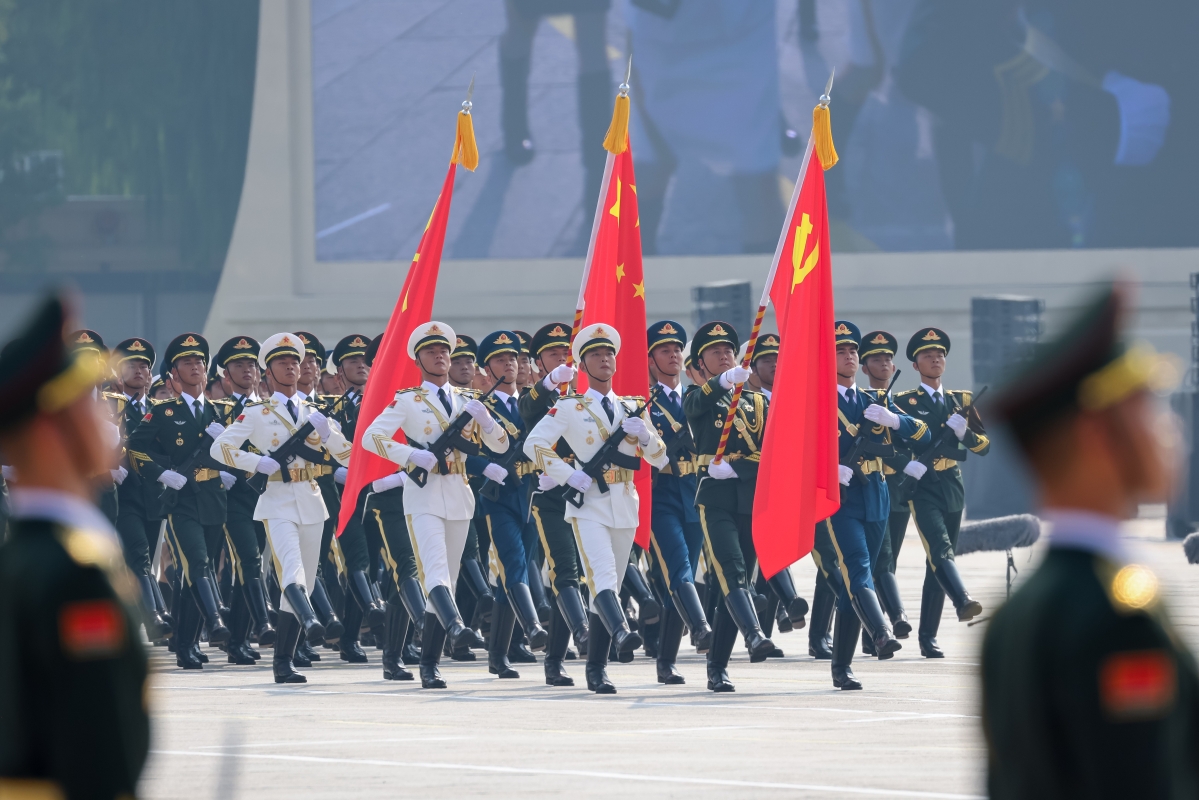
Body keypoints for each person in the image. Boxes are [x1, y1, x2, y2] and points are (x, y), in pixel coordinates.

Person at [983, 281, 1199, 797]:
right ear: (1098, 435)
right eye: (1147, 408)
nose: (1170, 430)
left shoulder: (1017, 611)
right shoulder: (1117, 616)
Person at [0, 293, 149, 799]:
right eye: (88, 401)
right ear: (50, 428)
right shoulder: (75, 573)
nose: (107, 415)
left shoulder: (21, 557)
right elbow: (96, 747)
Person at [525, 323, 668, 693]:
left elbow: (660, 458)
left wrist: (645, 435)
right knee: (601, 578)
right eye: (595, 355)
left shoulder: (632, 407)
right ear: (583, 366)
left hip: (625, 503)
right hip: (588, 505)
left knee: (609, 587)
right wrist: (567, 474)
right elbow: (533, 444)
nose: (604, 360)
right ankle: (620, 632)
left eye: (609, 354)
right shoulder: (570, 406)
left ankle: (595, 669)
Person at [361, 321, 505, 688]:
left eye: (444, 351)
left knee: (447, 581)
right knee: (434, 572)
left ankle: (429, 664)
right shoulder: (408, 400)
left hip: (459, 494)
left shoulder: (467, 400)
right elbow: (371, 437)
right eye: (431, 351)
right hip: (423, 495)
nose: (439, 356)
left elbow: (501, 446)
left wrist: (488, 424)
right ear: (418, 360)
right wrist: (410, 455)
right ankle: (455, 626)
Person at [210, 333, 354, 684]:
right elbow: (220, 448)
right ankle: (311, 621)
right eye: (281, 362)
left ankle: (283, 661)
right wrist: (255, 462)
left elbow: (348, 456)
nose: (291, 367)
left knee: (305, 579)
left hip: (312, 500)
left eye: (294, 362)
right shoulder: (257, 412)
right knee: (291, 571)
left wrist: (329, 435)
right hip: (276, 499)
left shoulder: (315, 413)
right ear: (268, 372)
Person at [813, 321, 927, 690]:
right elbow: (797, 451)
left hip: (876, 494)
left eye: (852, 351)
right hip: (840, 498)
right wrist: (829, 470)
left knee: (857, 581)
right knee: (858, 568)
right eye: (840, 351)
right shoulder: (816, 402)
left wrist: (895, 419)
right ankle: (880, 632)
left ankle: (841, 667)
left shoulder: (873, 400)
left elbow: (922, 433)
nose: (849, 356)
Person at [127, 333, 233, 670]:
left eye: (199, 361)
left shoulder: (221, 411)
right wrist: (161, 473)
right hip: (182, 499)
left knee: (194, 573)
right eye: (187, 362)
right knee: (197, 563)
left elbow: (245, 452)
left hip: (213, 497)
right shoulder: (163, 412)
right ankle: (215, 621)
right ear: (173, 374)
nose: (195, 366)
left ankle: (186, 644)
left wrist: (229, 455)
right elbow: (135, 448)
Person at [684, 321, 776, 692]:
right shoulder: (697, 396)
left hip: (750, 497)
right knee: (731, 571)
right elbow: (694, 406)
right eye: (715, 352)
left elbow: (772, 453)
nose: (724, 356)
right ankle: (754, 634)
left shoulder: (759, 402)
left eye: (728, 351)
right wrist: (723, 382)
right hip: (715, 498)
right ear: (700, 363)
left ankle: (717, 668)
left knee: (734, 583)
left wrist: (738, 467)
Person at [896, 327, 990, 658]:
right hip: (922, 486)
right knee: (940, 549)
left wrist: (965, 434)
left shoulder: (961, 401)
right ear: (915, 365)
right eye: (928, 355)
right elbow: (896, 442)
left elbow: (984, 446)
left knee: (935, 562)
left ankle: (928, 637)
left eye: (940, 355)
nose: (935, 359)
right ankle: (962, 599)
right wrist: (909, 464)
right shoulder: (904, 402)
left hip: (952, 485)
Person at [471, 331, 552, 681]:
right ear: (487, 369)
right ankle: (532, 626)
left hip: (531, 494)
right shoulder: (481, 407)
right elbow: (467, 450)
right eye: (500, 360)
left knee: (514, 570)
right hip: (499, 496)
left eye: (514, 359)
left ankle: (498, 655)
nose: (510, 364)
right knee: (513, 562)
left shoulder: (534, 403)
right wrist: (483, 467)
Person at [519, 322, 592, 666]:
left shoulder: (587, 398)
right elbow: (527, 411)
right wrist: (549, 382)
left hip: (587, 493)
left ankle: (554, 660)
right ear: (538, 363)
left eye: (567, 353)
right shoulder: (536, 397)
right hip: (551, 498)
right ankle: (583, 631)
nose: (563, 359)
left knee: (581, 574)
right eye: (553, 354)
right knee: (565, 569)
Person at [644, 320, 712, 684]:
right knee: (678, 567)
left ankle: (666, 661)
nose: (673, 355)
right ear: (650, 359)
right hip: (661, 495)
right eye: (664, 350)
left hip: (695, 493)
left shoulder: (696, 398)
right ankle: (700, 628)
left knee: (682, 576)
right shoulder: (643, 403)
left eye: (676, 349)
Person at [210, 336, 277, 665]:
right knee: (247, 559)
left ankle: (238, 640)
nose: (247, 370)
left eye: (252, 364)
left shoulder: (270, 410)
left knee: (251, 567)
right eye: (239, 365)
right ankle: (263, 622)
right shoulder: (216, 410)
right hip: (232, 498)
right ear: (226, 374)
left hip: (263, 496)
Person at [106, 337, 173, 644]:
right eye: (131, 365)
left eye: (144, 366)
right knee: (139, 554)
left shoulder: (162, 411)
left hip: (154, 495)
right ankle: (155, 616)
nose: (138, 370)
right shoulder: (109, 406)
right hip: (125, 494)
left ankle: (144, 621)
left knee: (146, 560)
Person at [326, 333, 387, 664]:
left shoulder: (383, 406)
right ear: (339, 372)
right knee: (356, 560)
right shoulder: (331, 409)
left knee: (373, 566)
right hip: (343, 497)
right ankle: (375, 616)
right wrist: (335, 471)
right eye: (352, 361)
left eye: (365, 361)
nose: (361, 366)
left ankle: (350, 637)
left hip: (377, 493)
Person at [859, 330, 914, 652]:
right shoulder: (861, 402)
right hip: (869, 487)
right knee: (876, 561)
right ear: (865, 367)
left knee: (886, 562)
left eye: (888, 359)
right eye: (876, 359)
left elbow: (915, 437)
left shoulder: (899, 404)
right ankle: (892, 619)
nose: (884, 364)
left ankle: (873, 635)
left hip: (897, 490)